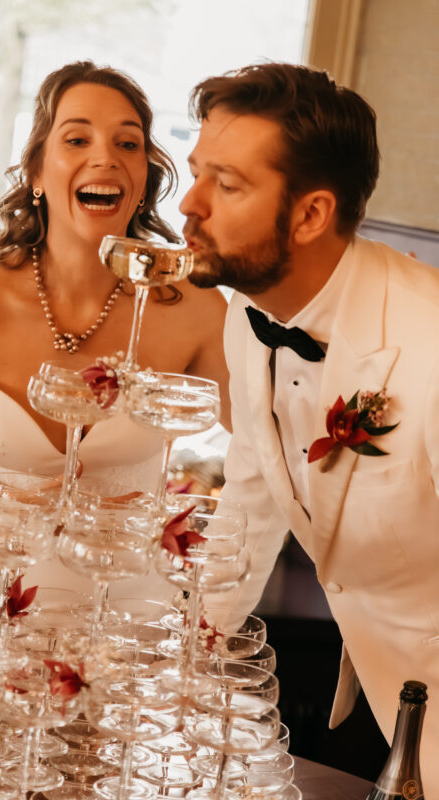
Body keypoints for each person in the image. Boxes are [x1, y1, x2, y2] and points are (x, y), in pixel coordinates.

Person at [179, 62, 439, 797]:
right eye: (197, 174)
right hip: (376, 680)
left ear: (310, 215)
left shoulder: (430, 346)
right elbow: (253, 486)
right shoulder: (248, 311)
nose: (189, 205)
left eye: (227, 185)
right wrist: (193, 650)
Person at [0, 60, 229, 607]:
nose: (105, 157)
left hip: (127, 605)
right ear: (36, 171)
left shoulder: (194, 306)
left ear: (144, 178)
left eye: (128, 144)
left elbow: (266, 447)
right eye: (77, 139)